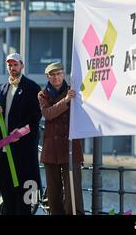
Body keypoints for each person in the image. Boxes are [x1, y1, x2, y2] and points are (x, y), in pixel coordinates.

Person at [0, 53, 42, 215]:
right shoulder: (3, 88)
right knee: (6, 196)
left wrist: (19, 132)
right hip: (5, 151)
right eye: (10, 65)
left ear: (22, 66)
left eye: (15, 65)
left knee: (24, 199)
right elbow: (4, 116)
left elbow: (35, 117)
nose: (12, 68)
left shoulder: (32, 87)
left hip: (23, 152)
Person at [38, 62, 84, 215]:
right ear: (48, 77)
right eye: (52, 75)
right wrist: (66, 101)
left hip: (71, 146)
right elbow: (48, 114)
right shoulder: (42, 94)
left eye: (59, 74)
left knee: (74, 191)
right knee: (53, 194)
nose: (56, 77)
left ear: (64, 75)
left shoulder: (74, 90)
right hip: (51, 150)